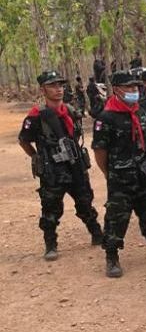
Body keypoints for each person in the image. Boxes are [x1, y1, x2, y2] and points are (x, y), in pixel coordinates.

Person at [18, 71, 103, 261]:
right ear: (43, 89)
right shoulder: (36, 116)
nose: (58, 89)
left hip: (75, 166)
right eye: (53, 86)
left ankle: (97, 233)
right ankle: (50, 244)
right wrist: (37, 157)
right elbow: (23, 140)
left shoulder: (70, 111)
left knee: (85, 201)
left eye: (60, 85)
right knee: (50, 208)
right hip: (53, 171)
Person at [92, 71, 146, 278]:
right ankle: (112, 256)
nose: (134, 91)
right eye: (129, 87)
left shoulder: (139, 111)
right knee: (117, 216)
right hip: (120, 176)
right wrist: (109, 173)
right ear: (116, 90)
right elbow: (100, 150)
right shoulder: (106, 117)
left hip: (143, 172)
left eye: (135, 87)